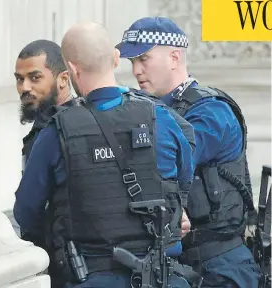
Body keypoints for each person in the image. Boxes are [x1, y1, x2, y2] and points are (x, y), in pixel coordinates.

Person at [14, 21, 200, 288]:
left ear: (72, 69)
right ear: (115, 58)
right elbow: (183, 180)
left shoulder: (57, 133)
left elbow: (26, 213)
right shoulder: (162, 118)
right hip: (162, 278)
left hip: (92, 276)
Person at [116, 16, 261, 288]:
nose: (136, 71)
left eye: (143, 59)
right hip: (179, 264)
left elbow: (169, 159)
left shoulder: (211, 111)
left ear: (173, 57)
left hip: (220, 265)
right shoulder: (150, 111)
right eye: (132, 62)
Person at [15, 40, 80, 172]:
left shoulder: (66, 130)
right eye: (20, 79)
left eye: (35, 77)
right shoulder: (45, 126)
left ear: (63, 79)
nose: (24, 88)